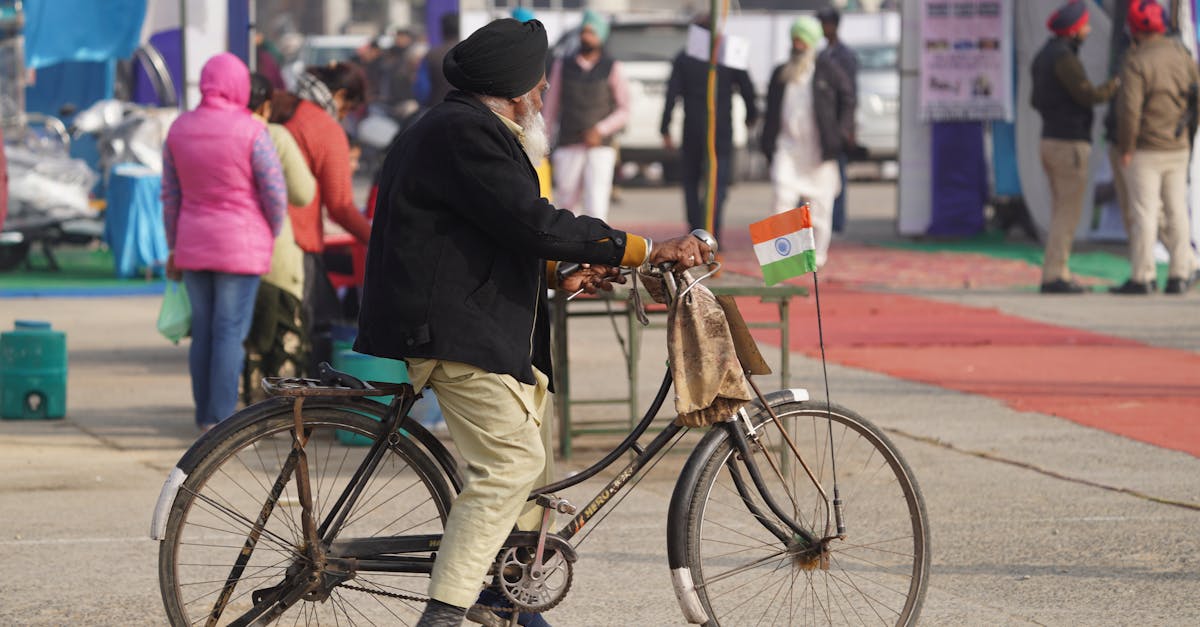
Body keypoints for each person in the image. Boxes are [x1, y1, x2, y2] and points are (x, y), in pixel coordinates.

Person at [353, 18, 711, 627]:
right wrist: (644, 249)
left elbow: (488, 234)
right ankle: (443, 616)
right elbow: (532, 221)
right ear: (514, 94)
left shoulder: (458, 128)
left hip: (470, 320)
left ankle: (503, 599)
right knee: (511, 469)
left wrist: (555, 274)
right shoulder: (467, 134)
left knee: (531, 476)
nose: (544, 100)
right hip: (454, 332)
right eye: (539, 90)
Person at [161, 53, 288, 430]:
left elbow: (170, 196)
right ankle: (221, 421)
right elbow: (275, 192)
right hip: (242, 246)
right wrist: (271, 228)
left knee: (203, 331)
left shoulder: (179, 129)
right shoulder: (252, 131)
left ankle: (204, 415)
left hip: (193, 244)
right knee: (230, 331)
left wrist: (174, 245)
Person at [269, 62, 373, 375]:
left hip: (251, 242)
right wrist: (378, 238)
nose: (344, 117)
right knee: (320, 330)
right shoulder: (324, 128)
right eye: (347, 109)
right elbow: (340, 206)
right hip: (297, 244)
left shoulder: (277, 109)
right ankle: (313, 409)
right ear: (339, 95)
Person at [1030, 0, 1118, 294]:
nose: (1089, 30)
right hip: (1068, 142)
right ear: (1074, 29)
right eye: (1085, 26)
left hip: (1049, 139)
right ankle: (1055, 275)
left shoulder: (1044, 54)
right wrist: (1113, 87)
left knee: (1061, 210)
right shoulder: (1064, 58)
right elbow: (1085, 94)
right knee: (1067, 213)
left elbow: (1035, 100)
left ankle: (1059, 270)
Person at [1112, 0, 1198, 295]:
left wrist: (1126, 146)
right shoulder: (1181, 55)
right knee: (1177, 212)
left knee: (1145, 214)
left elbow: (1129, 111)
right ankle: (1179, 274)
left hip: (1146, 149)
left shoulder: (1136, 60)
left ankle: (1143, 276)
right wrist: (1189, 132)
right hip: (1178, 145)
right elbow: (1196, 96)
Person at [241, 73, 318, 399]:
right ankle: (285, 418)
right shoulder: (273, 135)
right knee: (285, 341)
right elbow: (303, 193)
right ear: (267, 105)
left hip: (227, 257)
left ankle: (242, 419)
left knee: (246, 343)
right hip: (275, 254)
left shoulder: (206, 132)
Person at [761, 16, 855, 270]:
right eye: (794, 41)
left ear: (811, 43)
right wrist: (766, 144)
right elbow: (771, 112)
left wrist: (842, 132)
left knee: (820, 211)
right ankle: (781, 262)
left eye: (802, 41)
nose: (798, 46)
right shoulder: (781, 73)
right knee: (781, 198)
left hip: (819, 152)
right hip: (788, 149)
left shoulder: (828, 71)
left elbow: (848, 99)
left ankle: (816, 260)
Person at [660, 14, 758, 242]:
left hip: (698, 131)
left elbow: (671, 95)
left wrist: (664, 127)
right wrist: (751, 115)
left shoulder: (685, 57)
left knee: (693, 184)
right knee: (717, 185)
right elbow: (747, 88)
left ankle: (697, 233)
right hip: (718, 132)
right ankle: (712, 234)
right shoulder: (724, 55)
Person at [542, 9, 630, 222]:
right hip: (568, 144)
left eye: (591, 32)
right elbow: (550, 109)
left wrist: (600, 130)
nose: (585, 36)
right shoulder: (563, 65)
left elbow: (624, 109)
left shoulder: (612, 67)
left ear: (600, 36)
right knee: (566, 206)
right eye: (584, 31)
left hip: (600, 148)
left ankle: (598, 254)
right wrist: (543, 143)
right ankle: (567, 254)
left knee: (597, 206)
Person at [816, 6, 858, 235]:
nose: (822, 28)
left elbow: (851, 94)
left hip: (838, 123)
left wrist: (848, 128)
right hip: (823, 123)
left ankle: (838, 221)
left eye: (825, 23)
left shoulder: (845, 56)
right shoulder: (822, 54)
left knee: (838, 175)